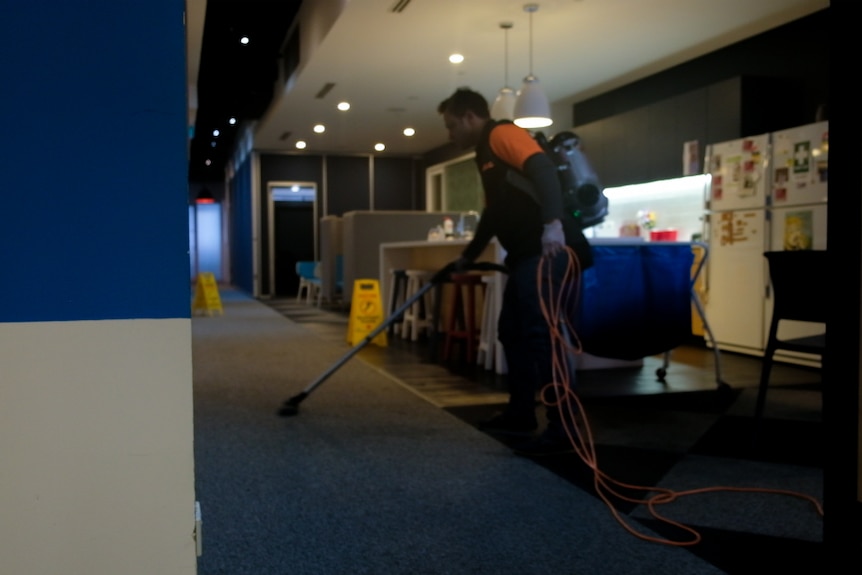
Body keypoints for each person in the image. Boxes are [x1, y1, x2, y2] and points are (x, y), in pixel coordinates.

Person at [437, 87, 593, 456]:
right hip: (524, 256)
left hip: (548, 249)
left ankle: (564, 428)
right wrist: (467, 257)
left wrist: (553, 222)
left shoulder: (501, 133)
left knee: (543, 337)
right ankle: (521, 413)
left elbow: (542, 169)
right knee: (512, 331)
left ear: (469, 117)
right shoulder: (484, 154)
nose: (449, 134)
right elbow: (493, 214)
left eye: (450, 125)